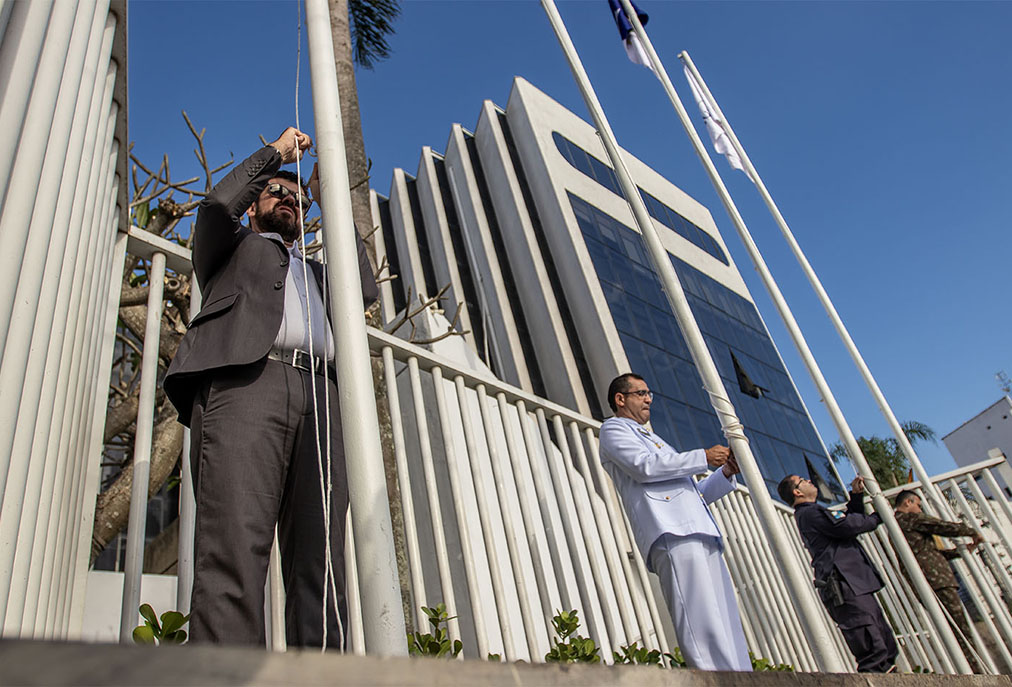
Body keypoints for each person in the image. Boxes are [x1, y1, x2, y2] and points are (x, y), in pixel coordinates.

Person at [164, 127, 378, 648]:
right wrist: (277, 156)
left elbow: (367, 287)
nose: (290, 200)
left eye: (299, 199)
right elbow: (216, 207)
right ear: (255, 207)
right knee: (233, 547)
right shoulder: (231, 248)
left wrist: (329, 197)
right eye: (277, 193)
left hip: (323, 396)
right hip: (246, 383)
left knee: (321, 563)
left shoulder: (322, 270)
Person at [598, 373, 751, 671]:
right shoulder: (613, 428)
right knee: (700, 617)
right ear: (620, 398)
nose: (648, 399)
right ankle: (716, 678)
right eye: (641, 393)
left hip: (698, 528)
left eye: (649, 394)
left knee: (724, 615)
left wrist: (726, 474)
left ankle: (740, 675)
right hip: (671, 531)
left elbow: (694, 493)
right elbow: (644, 468)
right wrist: (703, 457)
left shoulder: (656, 440)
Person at [778, 474, 898, 672]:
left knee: (882, 639)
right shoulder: (810, 513)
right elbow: (847, 526)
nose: (809, 481)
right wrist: (878, 516)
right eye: (802, 481)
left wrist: (856, 497)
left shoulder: (813, 512)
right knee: (872, 646)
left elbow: (846, 521)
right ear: (797, 492)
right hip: (844, 584)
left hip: (853, 582)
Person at [894, 490, 983, 672]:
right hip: (937, 581)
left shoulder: (897, 526)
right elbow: (941, 526)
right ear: (908, 502)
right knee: (960, 628)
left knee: (953, 627)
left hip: (929, 581)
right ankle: (975, 670)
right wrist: (971, 531)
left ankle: (969, 668)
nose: (920, 509)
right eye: (918, 505)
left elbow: (927, 553)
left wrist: (960, 551)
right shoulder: (909, 519)